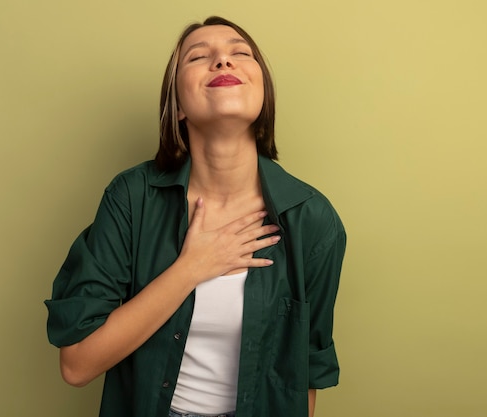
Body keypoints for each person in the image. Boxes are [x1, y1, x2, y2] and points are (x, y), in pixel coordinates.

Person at [45, 16, 346, 417]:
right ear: (178, 106)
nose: (223, 62)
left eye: (240, 53)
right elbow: (77, 364)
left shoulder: (312, 219)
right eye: (199, 57)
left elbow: (306, 371)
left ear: (262, 94)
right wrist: (193, 267)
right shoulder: (132, 199)